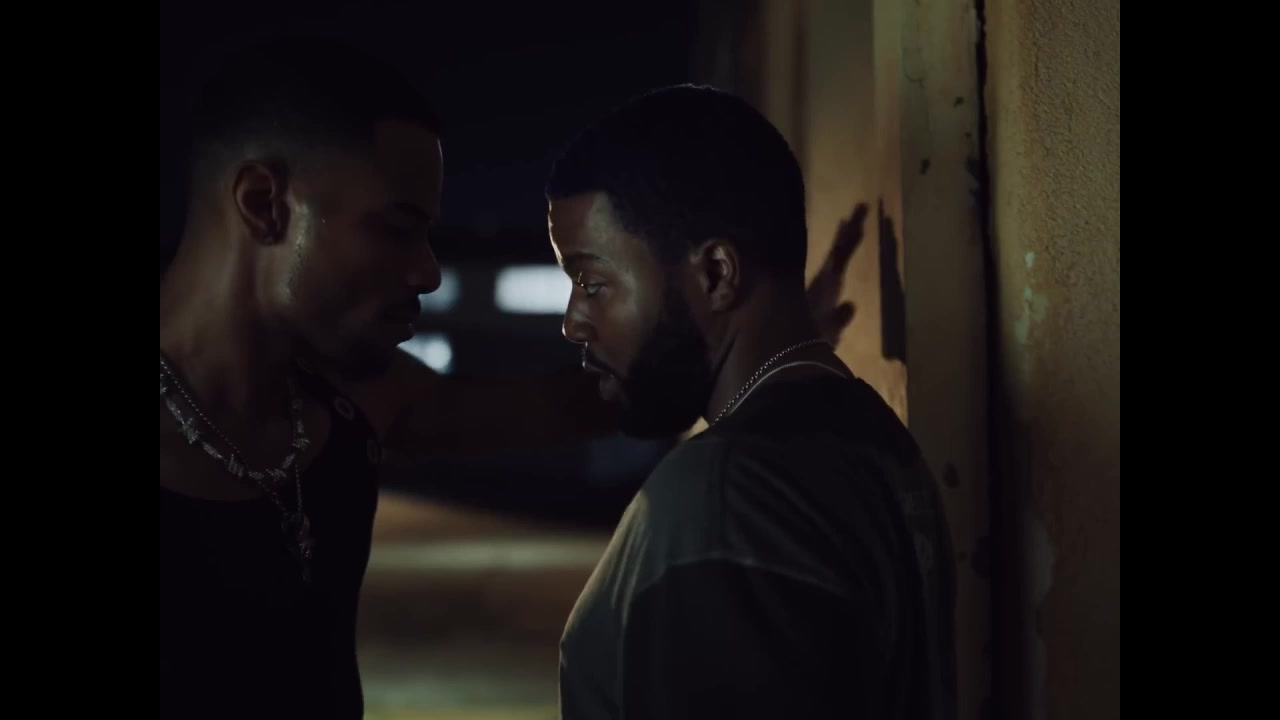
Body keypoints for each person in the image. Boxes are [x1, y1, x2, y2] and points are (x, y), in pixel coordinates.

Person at [159, 38, 860, 718]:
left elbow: (570, 404)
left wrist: (753, 329)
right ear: (264, 204)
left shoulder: (347, 397)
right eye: (397, 228)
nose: (427, 272)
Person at [547, 85, 957, 719]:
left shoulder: (725, 490)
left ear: (716, 274)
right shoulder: (867, 432)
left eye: (592, 281)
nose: (573, 321)